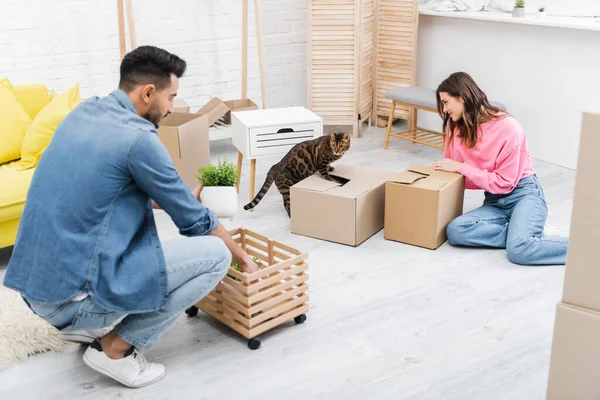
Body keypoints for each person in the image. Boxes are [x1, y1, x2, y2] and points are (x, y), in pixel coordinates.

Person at [3, 45, 258, 388]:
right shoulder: (139, 138)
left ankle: (85, 327)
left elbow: (104, 192)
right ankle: (116, 348)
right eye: (171, 97)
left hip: (36, 290)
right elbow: (198, 222)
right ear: (148, 92)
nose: (171, 108)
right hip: (68, 300)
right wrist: (243, 258)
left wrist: (173, 199)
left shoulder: (85, 113)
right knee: (216, 255)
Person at [432, 72, 568, 266]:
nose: (444, 110)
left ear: (462, 97)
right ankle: (525, 233)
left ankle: (585, 248)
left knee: (520, 251)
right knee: (456, 230)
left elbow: (505, 183)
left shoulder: (508, 128)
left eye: (445, 102)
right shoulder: (455, 129)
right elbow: (459, 175)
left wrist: (461, 167)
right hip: (494, 201)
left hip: (523, 194)